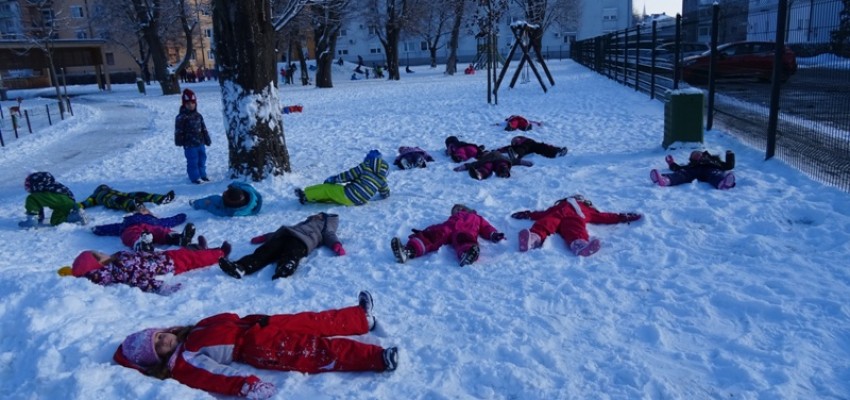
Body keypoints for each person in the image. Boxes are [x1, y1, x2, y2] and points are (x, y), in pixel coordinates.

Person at [112, 291, 398, 398]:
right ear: (160, 359)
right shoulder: (185, 359)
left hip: (258, 324)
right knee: (313, 351)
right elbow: (214, 375)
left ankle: (360, 319)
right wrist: (245, 385)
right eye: (159, 347)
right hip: (257, 346)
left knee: (311, 321)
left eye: (158, 336)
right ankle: (376, 358)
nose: (164, 341)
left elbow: (225, 319)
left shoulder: (191, 331)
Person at [59, 240, 231, 295]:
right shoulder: (120, 268)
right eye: (99, 255)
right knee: (192, 259)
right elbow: (140, 280)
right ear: (99, 264)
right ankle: (219, 253)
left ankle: (203, 250)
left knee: (186, 253)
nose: (103, 253)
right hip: (167, 264)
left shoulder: (115, 262)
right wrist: (162, 288)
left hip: (160, 258)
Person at [218, 212, 345, 280]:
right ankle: (241, 267)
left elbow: (330, 235)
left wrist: (336, 245)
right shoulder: (305, 222)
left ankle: (286, 267)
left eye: (320, 215)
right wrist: (265, 237)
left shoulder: (326, 225)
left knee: (292, 253)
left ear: (325, 218)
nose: (315, 215)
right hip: (285, 236)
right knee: (265, 251)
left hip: (302, 241)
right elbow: (290, 229)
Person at [511, 195, 642, 257]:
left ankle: (579, 245)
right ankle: (532, 239)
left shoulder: (588, 210)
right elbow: (543, 214)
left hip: (574, 218)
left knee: (575, 228)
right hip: (557, 215)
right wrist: (528, 214)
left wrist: (621, 217)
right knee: (546, 222)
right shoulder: (558, 206)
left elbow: (604, 216)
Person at [390, 204, 505, 267]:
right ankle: (407, 251)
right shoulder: (452, 218)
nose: (458, 210)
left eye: (460, 207)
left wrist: (493, 234)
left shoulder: (477, 217)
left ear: (468, 209)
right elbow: (436, 227)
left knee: (464, 238)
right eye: (455, 210)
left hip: (466, 230)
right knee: (433, 235)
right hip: (448, 228)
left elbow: (486, 227)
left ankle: (468, 254)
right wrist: (424, 232)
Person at [295, 150, 390, 207]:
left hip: (350, 194)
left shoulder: (365, 166)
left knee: (327, 189)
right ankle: (310, 196)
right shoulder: (382, 180)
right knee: (332, 195)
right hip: (360, 201)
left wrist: (335, 179)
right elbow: (385, 193)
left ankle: (305, 195)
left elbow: (349, 175)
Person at [91, 208, 197, 250]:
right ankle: (140, 244)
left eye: (144, 210)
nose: (141, 210)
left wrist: (181, 216)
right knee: (130, 235)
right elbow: (113, 228)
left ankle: (178, 238)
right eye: (139, 210)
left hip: (152, 228)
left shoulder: (155, 220)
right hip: (132, 228)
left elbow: (169, 221)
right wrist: (98, 229)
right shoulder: (127, 221)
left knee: (162, 231)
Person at [19, 171, 87, 228]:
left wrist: (33, 219)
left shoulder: (48, 191)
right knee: (55, 221)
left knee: (31, 198)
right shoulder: (54, 187)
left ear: (37, 184)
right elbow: (38, 204)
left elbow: (35, 201)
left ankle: (31, 221)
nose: (28, 189)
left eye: (29, 186)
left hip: (61, 199)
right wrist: (39, 217)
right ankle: (75, 216)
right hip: (68, 203)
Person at [174, 88, 211, 184]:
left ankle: (203, 175)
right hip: (189, 144)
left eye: (192, 103)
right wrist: (179, 140)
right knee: (193, 161)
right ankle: (195, 177)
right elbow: (178, 130)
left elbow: (203, 128)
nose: (191, 105)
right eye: (188, 104)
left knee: (202, 159)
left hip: (200, 142)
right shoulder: (181, 117)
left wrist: (207, 138)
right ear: (184, 104)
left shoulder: (198, 116)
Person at [650, 150, 736, 190]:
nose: (696, 155)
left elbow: (729, 166)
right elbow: (678, 168)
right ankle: (665, 180)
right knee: (683, 174)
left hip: (710, 169)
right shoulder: (691, 166)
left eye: (698, 153)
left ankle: (723, 183)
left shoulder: (714, 162)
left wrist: (730, 155)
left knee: (715, 174)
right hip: (695, 171)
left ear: (703, 155)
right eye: (694, 156)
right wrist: (671, 163)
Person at [79, 184, 175, 213]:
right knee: (119, 200)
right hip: (110, 199)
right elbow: (86, 203)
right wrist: (79, 206)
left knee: (138, 194)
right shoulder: (95, 196)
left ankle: (160, 198)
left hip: (122, 194)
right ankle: (133, 205)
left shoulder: (111, 190)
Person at [190, 182, 262, 217]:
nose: (224, 192)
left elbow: (218, 212)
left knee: (213, 199)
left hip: (227, 205)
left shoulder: (232, 212)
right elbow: (243, 184)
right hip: (234, 202)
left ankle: (195, 204)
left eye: (225, 194)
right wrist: (234, 185)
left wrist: (209, 206)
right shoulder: (248, 191)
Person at [453, 150, 532, 180]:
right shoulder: (484, 160)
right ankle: (480, 174)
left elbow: (515, 161)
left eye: (486, 152)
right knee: (487, 166)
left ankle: (504, 171)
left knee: (502, 163)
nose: (486, 154)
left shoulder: (499, 155)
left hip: (500, 161)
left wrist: (527, 163)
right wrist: (460, 168)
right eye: (485, 153)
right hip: (489, 163)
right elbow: (472, 164)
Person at [495, 135, 569, 161]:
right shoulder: (515, 145)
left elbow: (546, 146)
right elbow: (506, 147)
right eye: (514, 141)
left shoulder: (526, 140)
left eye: (515, 140)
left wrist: (558, 149)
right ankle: (516, 156)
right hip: (525, 148)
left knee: (543, 147)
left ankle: (557, 152)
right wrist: (498, 150)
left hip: (532, 146)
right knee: (522, 149)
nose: (515, 141)